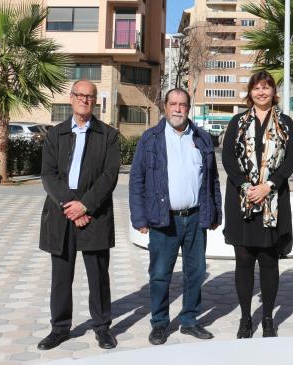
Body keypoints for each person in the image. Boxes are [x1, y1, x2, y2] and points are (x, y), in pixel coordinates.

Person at [129, 88, 222, 345]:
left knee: (196, 272)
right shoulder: (151, 139)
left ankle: (189, 320)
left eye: (182, 104)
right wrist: (139, 218)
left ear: (188, 108)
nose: (178, 109)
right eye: (173, 104)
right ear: (165, 107)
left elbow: (212, 179)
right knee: (160, 273)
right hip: (163, 219)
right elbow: (137, 180)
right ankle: (159, 323)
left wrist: (216, 212)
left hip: (195, 218)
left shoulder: (202, 138)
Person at [38, 80, 121, 351]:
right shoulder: (56, 134)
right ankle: (59, 328)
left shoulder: (108, 135)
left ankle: (102, 328)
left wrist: (84, 206)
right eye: (80, 95)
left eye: (90, 96)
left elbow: (109, 176)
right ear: (71, 98)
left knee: (98, 275)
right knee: (61, 276)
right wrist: (71, 205)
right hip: (62, 213)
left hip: (94, 214)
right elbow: (48, 175)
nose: (85, 100)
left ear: (95, 101)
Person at [222, 70, 293, 338]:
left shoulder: (287, 123)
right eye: (257, 88)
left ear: (273, 92)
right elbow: (229, 160)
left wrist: (268, 186)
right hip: (242, 201)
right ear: (250, 92)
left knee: (269, 259)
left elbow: (291, 159)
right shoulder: (237, 122)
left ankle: (267, 318)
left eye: (266, 87)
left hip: (273, 201)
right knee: (243, 260)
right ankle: (245, 318)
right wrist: (247, 187)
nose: (261, 92)